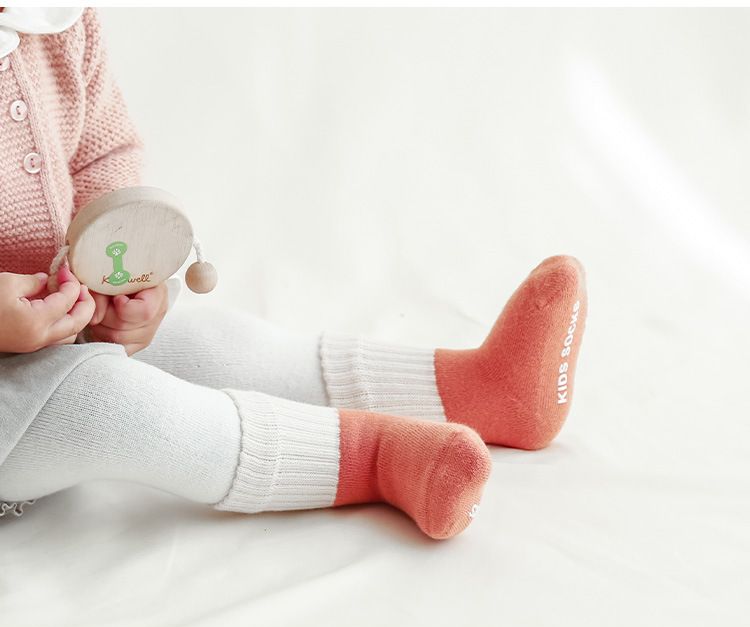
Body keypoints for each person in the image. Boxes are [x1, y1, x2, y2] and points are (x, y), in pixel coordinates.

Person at [0, 7, 586, 539]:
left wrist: (117, 269)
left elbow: (101, 154)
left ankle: (484, 389)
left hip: (52, 330)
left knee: (216, 345)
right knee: (114, 405)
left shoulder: (53, 20)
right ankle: (376, 459)